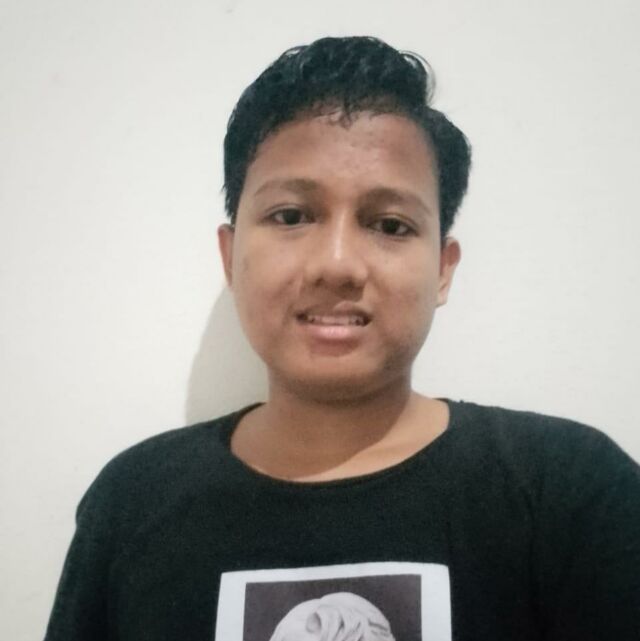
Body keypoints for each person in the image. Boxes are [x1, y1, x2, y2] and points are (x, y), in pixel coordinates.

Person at [45, 36, 639, 640]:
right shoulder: (134, 502)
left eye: (390, 225)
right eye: (291, 216)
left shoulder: (571, 492)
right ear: (230, 257)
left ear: (442, 269)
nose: (337, 265)